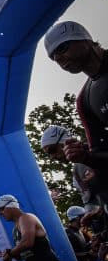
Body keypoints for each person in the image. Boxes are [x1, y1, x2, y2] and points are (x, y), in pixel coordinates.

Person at [44, 21, 108, 174]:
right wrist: (84, 157)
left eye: (62, 48)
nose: (59, 58)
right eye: (53, 57)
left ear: (85, 40)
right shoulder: (84, 101)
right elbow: (101, 155)